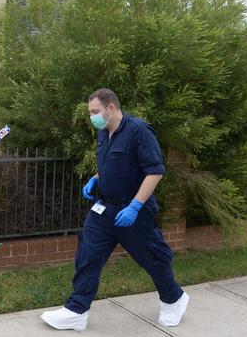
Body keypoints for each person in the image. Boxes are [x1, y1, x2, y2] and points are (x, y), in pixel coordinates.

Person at [41, 88, 189, 331]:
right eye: (91, 112)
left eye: (95, 111)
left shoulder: (139, 131)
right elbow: (111, 165)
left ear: (111, 108)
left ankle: (174, 299)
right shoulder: (104, 132)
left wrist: (134, 206)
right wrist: (96, 178)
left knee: (151, 258)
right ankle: (76, 310)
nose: (92, 117)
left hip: (133, 211)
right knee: (88, 255)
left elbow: (155, 171)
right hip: (104, 209)